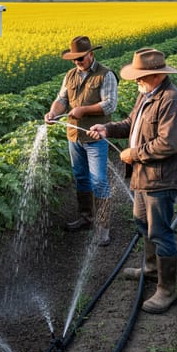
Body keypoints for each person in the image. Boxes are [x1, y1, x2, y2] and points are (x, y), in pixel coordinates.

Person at [87, 47, 177, 314]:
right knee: (141, 221)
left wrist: (133, 153)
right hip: (143, 176)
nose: (136, 81)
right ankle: (151, 267)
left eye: (140, 76)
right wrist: (107, 128)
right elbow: (131, 123)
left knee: (161, 231)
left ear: (155, 74)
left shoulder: (172, 101)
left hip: (161, 178)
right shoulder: (147, 95)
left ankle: (167, 290)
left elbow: (168, 144)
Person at [44, 36, 118, 246]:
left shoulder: (106, 75)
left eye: (81, 58)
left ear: (91, 54)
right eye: (75, 59)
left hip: (95, 136)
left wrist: (83, 110)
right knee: (81, 177)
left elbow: (110, 105)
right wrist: (53, 113)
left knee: (99, 180)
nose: (78, 62)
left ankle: (103, 227)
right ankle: (86, 218)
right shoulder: (70, 75)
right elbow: (62, 100)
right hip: (74, 135)